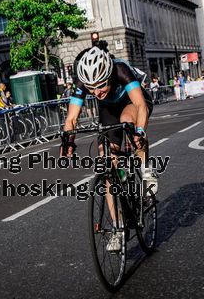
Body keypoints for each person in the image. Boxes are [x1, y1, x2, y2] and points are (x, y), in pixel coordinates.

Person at [60, 46, 154, 252]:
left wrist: (139, 132)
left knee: (127, 120)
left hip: (133, 103)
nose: (96, 92)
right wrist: (67, 141)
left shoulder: (120, 70)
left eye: (101, 85)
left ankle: (146, 169)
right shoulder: (84, 84)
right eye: (91, 88)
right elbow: (72, 118)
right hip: (109, 109)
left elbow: (140, 106)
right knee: (106, 162)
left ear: (108, 75)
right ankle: (118, 227)